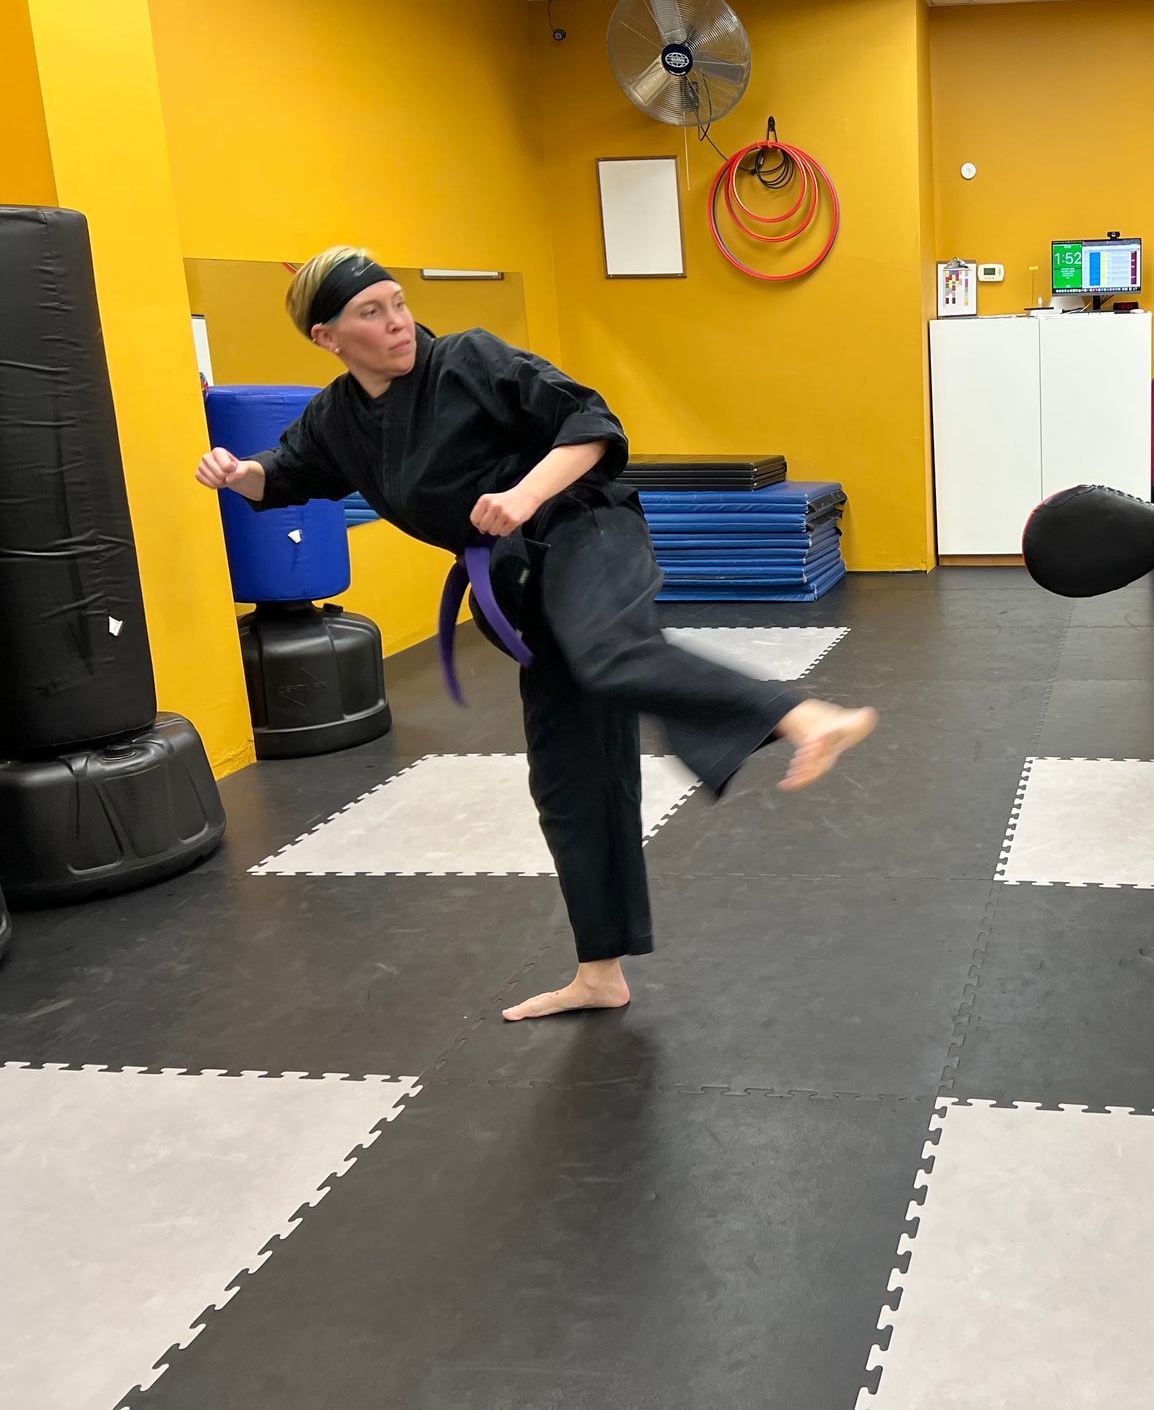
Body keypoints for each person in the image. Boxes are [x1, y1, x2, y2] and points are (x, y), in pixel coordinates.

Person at [195, 248, 877, 1022]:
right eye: (371, 313)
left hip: (586, 529)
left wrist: (519, 495)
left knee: (610, 652)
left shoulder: (467, 359)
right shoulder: (337, 417)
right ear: (327, 337)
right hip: (522, 581)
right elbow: (285, 473)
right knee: (569, 775)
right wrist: (234, 473)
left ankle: (799, 716)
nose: (397, 323)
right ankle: (600, 973)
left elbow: (591, 426)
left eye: (398, 301)